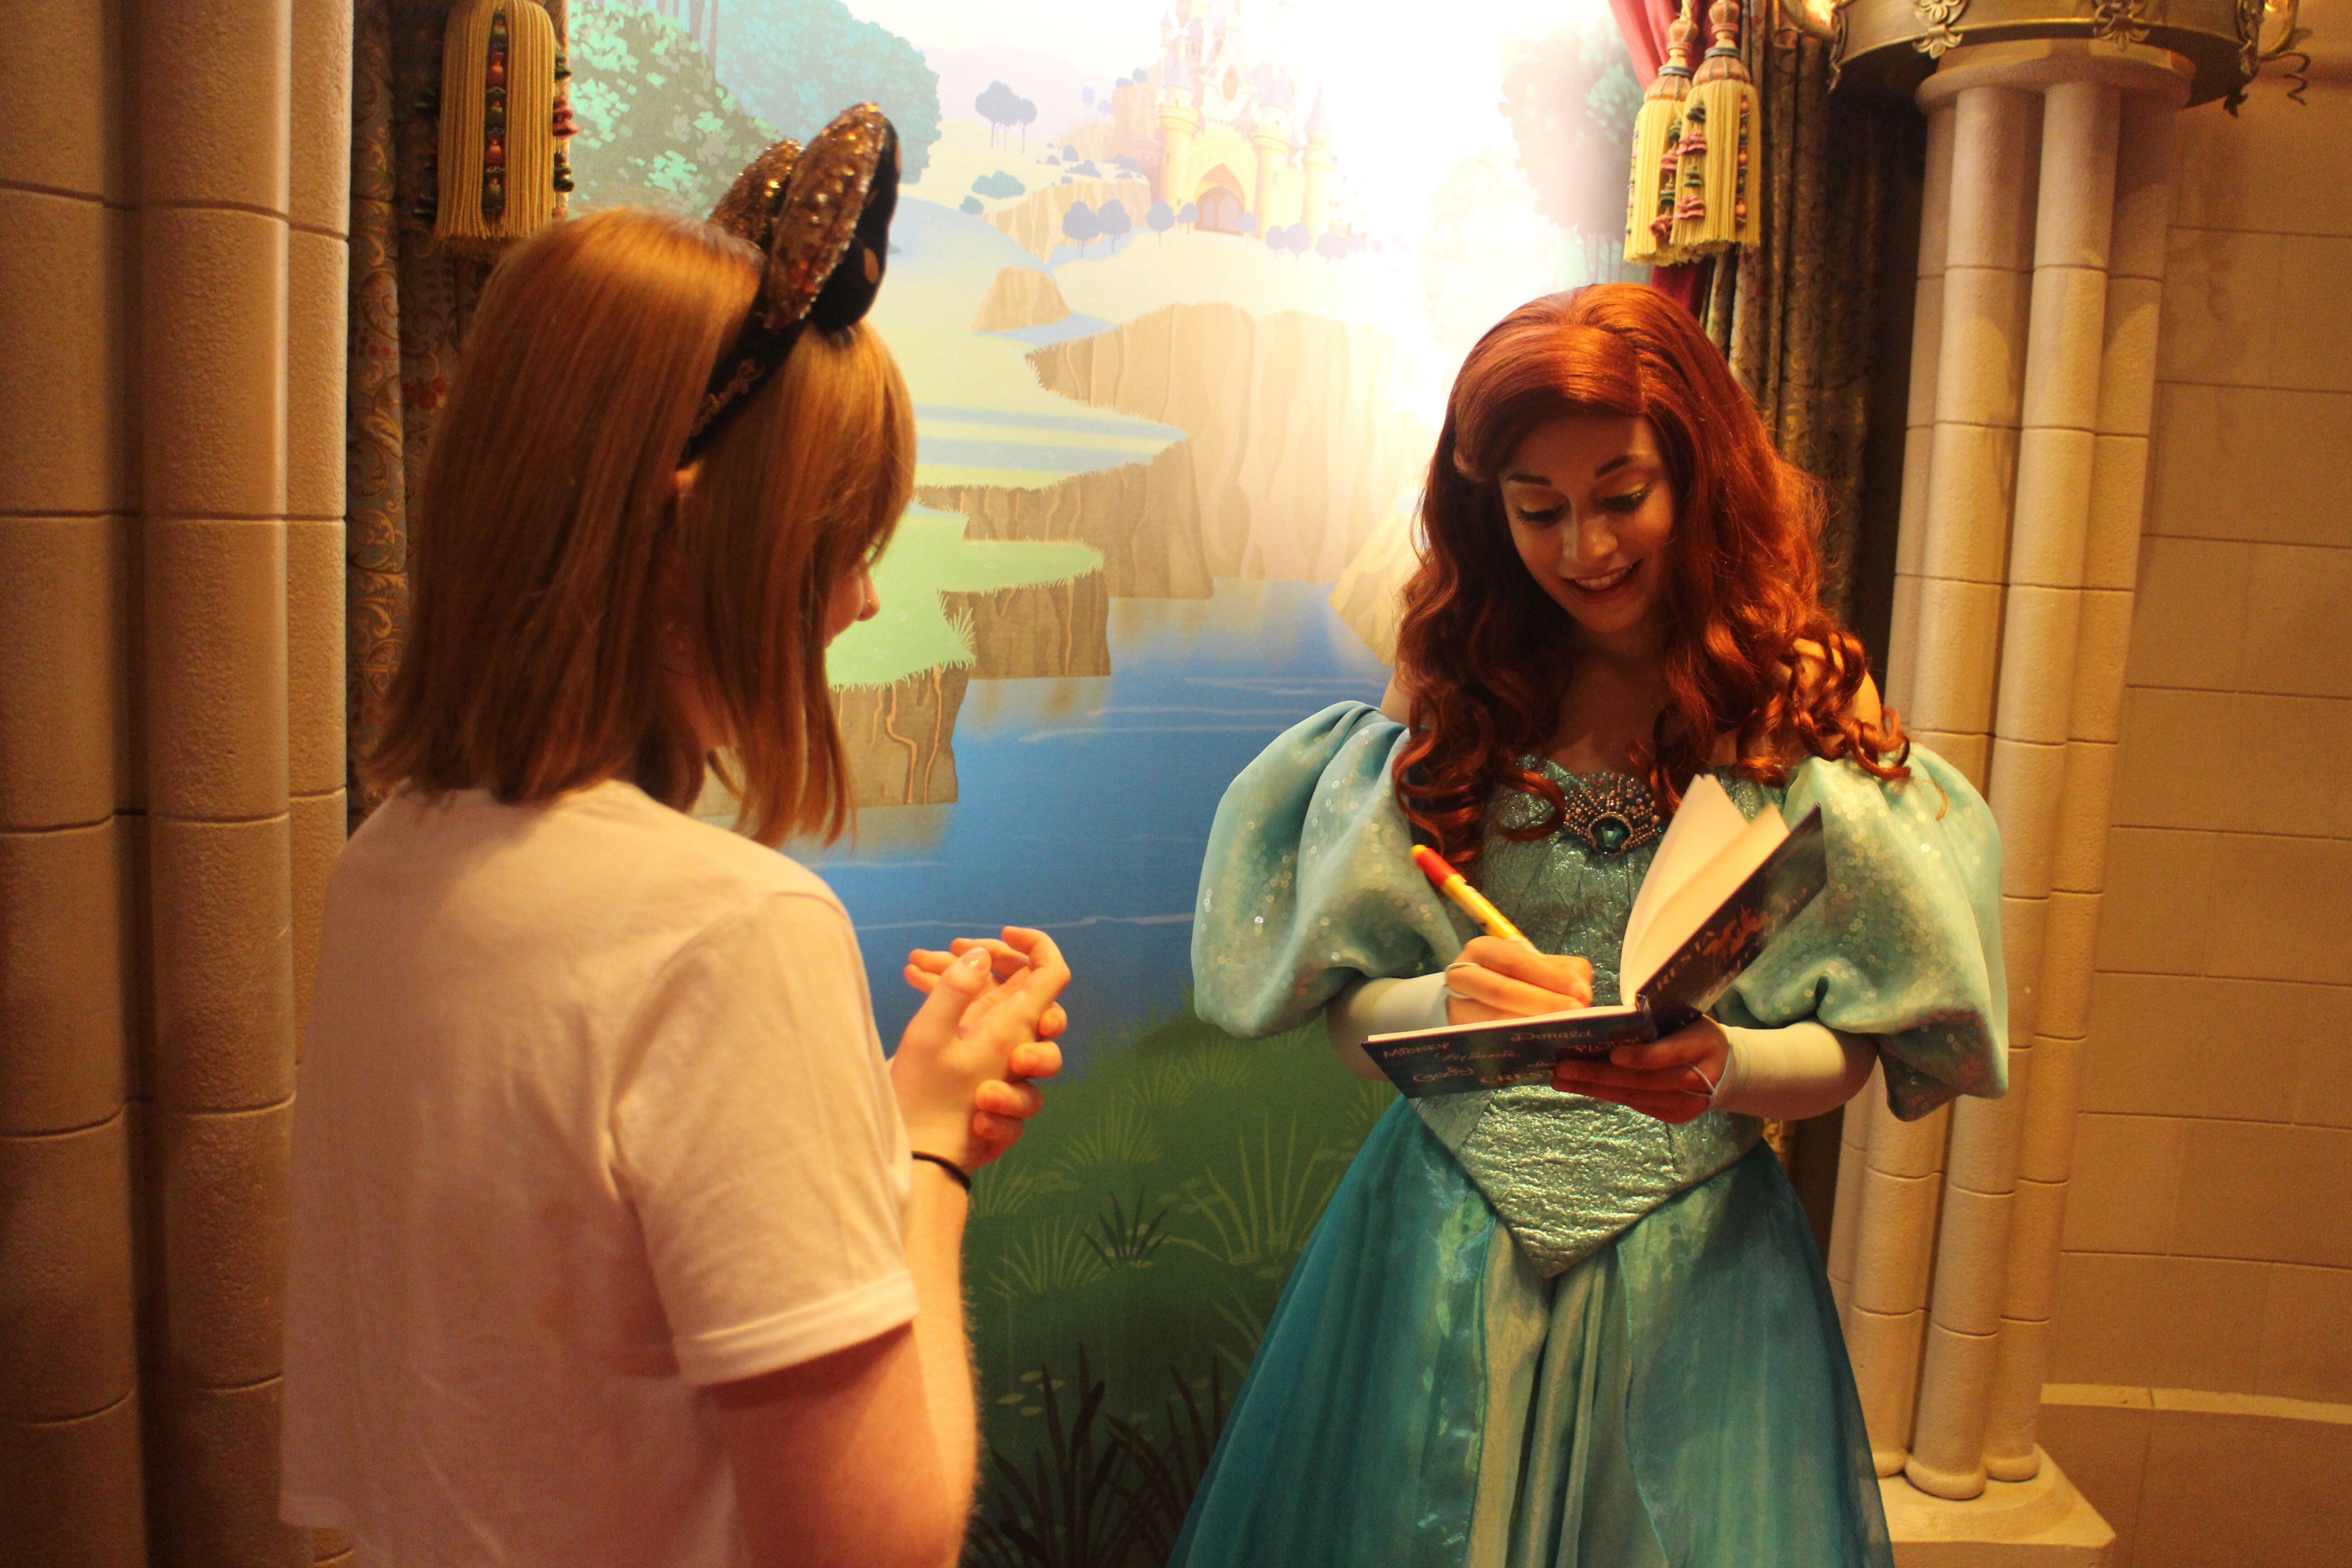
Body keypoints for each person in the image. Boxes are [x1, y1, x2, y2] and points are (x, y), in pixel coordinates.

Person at [281, 108, 1067, 1568]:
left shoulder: (386, 864)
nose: (861, 602)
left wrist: (884, 1113)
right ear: (690, 529)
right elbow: (878, 1545)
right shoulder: (732, 933)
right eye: (840, 541)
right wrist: (927, 1164)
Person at [1178, 285, 2006, 1568]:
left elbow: (1855, 1044)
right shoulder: (1452, 679)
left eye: (1623, 496)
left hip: (1697, 1268)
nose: (1585, 547)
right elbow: (1349, 1017)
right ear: (1487, 505)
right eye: (1538, 508)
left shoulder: (1799, 698)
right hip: (1440, 1251)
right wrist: (1442, 1003)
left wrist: (1729, 1066)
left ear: (1700, 475)